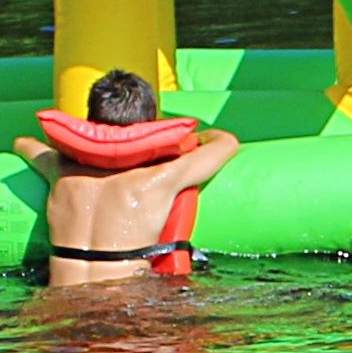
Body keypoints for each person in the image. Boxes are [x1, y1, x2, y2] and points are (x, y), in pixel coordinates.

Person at [30, 67, 239, 287]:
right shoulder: (163, 177)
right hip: (128, 305)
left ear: (91, 121)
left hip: (58, 304)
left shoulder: (58, 169)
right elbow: (227, 142)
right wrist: (190, 139)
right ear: (148, 127)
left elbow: (23, 143)